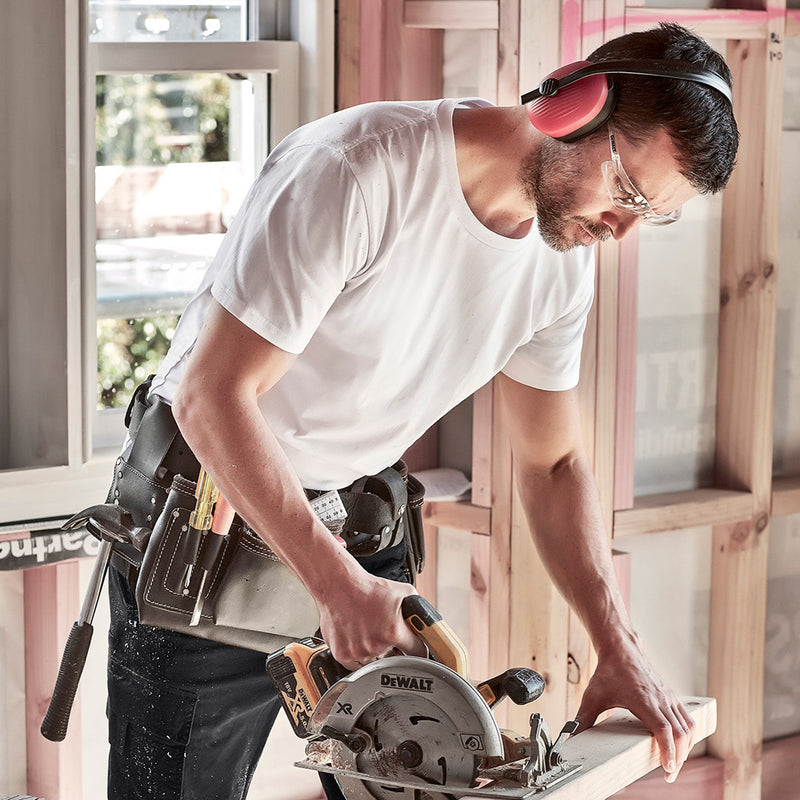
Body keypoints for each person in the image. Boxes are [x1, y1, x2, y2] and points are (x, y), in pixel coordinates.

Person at [102, 22, 738, 800]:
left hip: (357, 526)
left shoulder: (558, 267)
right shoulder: (358, 170)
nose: (621, 230)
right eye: (629, 192)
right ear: (571, 107)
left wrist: (618, 645)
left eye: (654, 215)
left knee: (421, 779)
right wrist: (335, 587)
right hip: (210, 516)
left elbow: (554, 463)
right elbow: (212, 397)